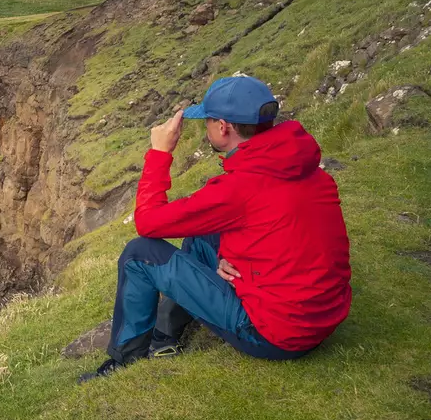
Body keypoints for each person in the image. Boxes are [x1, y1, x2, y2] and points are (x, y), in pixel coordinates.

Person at [79, 76, 352, 383]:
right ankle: (165, 334)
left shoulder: (240, 187)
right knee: (202, 234)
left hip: (276, 335)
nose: (206, 128)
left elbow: (148, 222)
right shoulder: (304, 169)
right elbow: (280, 235)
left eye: (207, 121)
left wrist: (160, 153)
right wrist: (229, 256)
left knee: (139, 254)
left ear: (223, 127)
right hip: (319, 320)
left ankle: (125, 362)